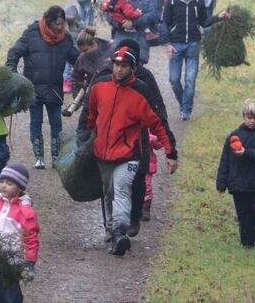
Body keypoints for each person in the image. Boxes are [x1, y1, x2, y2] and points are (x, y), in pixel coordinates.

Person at [81, 43, 178, 256]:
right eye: (116, 64)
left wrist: (171, 153)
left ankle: (119, 232)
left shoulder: (141, 91)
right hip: (103, 153)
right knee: (108, 193)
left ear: (132, 68)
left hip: (129, 154)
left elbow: (158, 122)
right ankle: (112, 230)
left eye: (124, 66)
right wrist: (82, 139)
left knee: (121, 189)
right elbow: (88, 116)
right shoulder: (100, 86)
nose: (118, 69)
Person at [6, 5, 80, 169]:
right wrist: (11, 70)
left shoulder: (65, 39)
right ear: (49, 21)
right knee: (36, 121)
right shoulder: (31, 34)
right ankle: (38, 157)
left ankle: (56, 156)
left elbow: (77, 60)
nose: (60, 27)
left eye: (62, 24)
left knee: (56, 123)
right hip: (33, 88)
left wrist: (91, 64)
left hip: (54, 89)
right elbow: (14, 52)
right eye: (57, 24)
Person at [162, 0, 229, 120]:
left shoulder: (199, 0)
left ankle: (186, 110)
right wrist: (166, 44)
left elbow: (204, 22)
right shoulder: (171, 0)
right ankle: (183, 104)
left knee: (190, 81)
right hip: (176, 45)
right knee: (174, 80)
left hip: (193, 45)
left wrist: (218, 17)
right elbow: (164, 24)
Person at [216, 99, 255, 248]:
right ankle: (247, 243)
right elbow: (225, 160)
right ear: (243, 116)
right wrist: (221, 182)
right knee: (244, 215)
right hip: (238, 184)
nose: (252, 121)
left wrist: (245, 153)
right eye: (249, 117)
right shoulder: (234, 136)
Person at [0, 163, 40, 301]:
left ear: (19, 187)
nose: (3, 185)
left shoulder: (25, 211)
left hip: (11, 262)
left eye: (9, 183)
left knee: (8, 295)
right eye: (2, 181)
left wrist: (30, 263)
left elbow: (31, 237)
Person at [106, 0, 162, 64]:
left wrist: (132, 23)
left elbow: (152, 16)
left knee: (138, 71)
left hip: (141, 40)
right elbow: (110, 15)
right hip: (121, 38)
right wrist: (121, 24)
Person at [71, 27, 114, 96]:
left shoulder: (110, 51)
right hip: (94, 93)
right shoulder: (82, 58)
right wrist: (75, 92)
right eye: (81, 51)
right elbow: (76, 77)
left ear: (93, 43)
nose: (83, 53)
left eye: (85, 50)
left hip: (111, 90)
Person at [141, 131, 163, 221]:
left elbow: (157, 145)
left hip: (146, 163)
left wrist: (154, 138)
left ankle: (145, 209)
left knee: (146, 186)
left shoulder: (148, 126)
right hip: (129, 162)